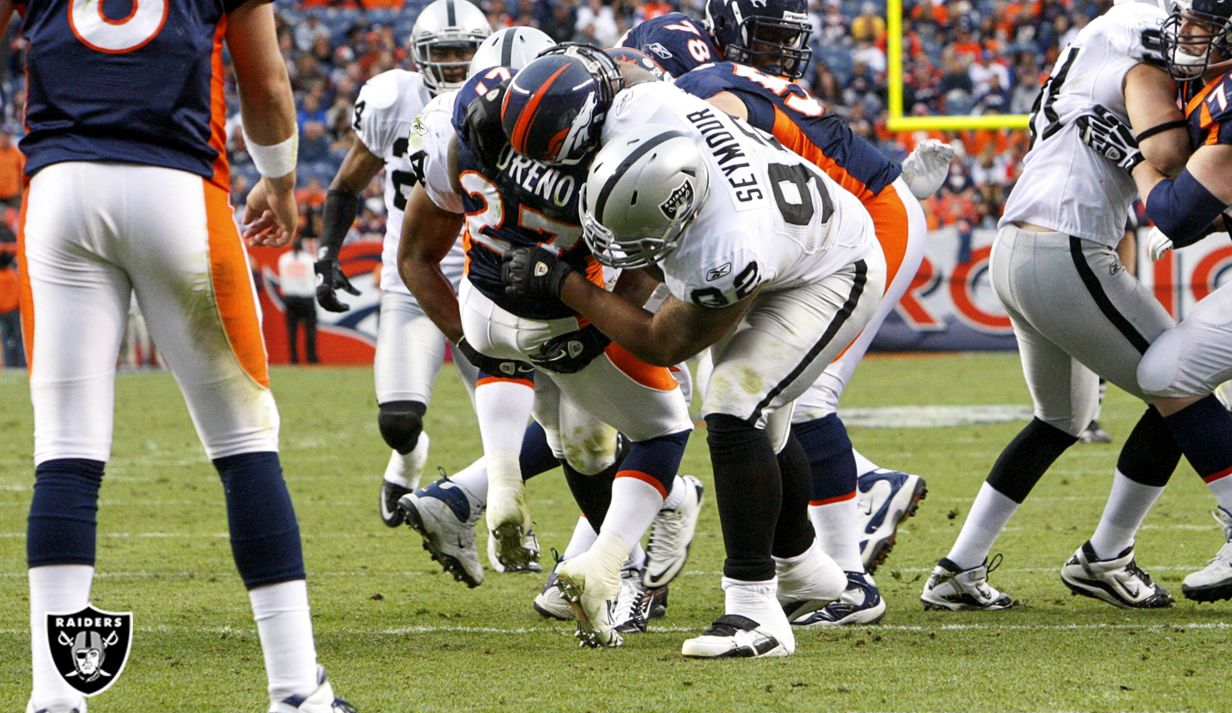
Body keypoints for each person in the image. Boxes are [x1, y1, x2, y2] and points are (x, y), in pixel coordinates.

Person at [5, 0, 360, 713]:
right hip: (176, 188)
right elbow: (265, 86)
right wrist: (284, 184)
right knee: (244, 442)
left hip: (59, 190)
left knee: (66, 449)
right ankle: (296, 693)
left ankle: (54, 698)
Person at [500, 51, 885, 658]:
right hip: (780, 231)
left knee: (736, 402)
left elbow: (665, 340)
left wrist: (566, 286)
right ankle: (806, 568)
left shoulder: (725, 249)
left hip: (833, 266)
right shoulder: (641, 105)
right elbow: (620, 77)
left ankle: (756, 613)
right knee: (768, 422)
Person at [623, 0, 950, 592]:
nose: (780, 54)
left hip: (869, 224)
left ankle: (846, 569)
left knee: (803, 397)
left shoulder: (711, 96)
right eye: (767, 39)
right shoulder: (726, 84)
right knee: (768, 395)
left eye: (784, 39)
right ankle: (846, 520)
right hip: (841, 216)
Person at [400, 47, 699, 648]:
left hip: (481, 301)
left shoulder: (466, 119)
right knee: (665, 429)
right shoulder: (600, 167)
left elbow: (435, 211)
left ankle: (501, 482)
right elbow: (637, 267)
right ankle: (608, 564)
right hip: (556, 310)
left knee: (582, 447)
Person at [920, 0, 1198, 611]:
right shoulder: (1135, 31)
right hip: (1066, 240)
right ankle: (1111, 554)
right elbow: (1172, 154)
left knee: (1061, 420)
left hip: (1020, 241)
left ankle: (956, 568)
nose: (1193, 26)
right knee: (1189, 385)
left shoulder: (1093, 47)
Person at [1077, 0, 1232, 601]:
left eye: (1202, 26)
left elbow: (1177, 215)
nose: (1186, 35)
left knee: (1165, 372)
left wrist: (1134, 159)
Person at [313, 0, 496, 528]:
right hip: (411, 283)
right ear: (420, 57)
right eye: (446, 52)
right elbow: (346, 185)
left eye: (467, 51)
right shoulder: (393, 100)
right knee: (397, 420)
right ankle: (410, 458)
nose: (458, 63)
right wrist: (327, 253)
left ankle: (482, 510)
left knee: (518, 426)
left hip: (486, 286)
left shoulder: (507, 99)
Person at [279, 238, 320, 364]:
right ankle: (311, 358)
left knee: (292, 331)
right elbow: (316, 277)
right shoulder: (310, 259)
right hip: (306, 297)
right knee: (310, 330)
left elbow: (283, 277)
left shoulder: (284, 259)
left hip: (290, 298)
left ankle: (294, 359)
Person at [0, 244, 20, 367]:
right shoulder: (13, 275)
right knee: (17, 339)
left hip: (2, 312)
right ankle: (21, 364)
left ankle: (8, 365)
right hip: (13, 311)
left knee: (5, 340)